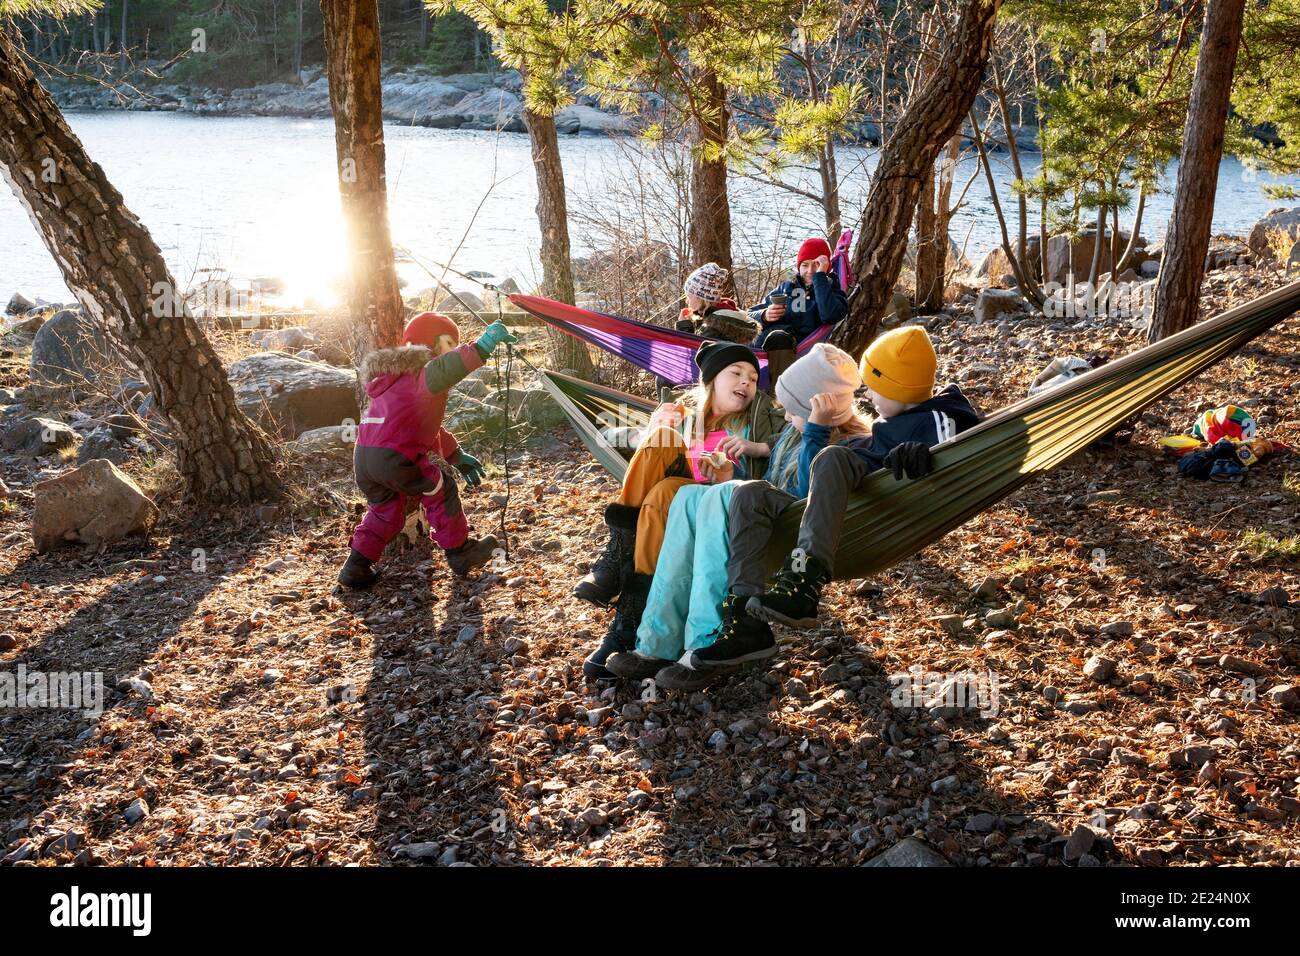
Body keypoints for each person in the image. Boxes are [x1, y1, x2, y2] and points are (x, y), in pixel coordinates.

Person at [654, 325, 982, 689]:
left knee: (828, 458)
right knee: (747, 493)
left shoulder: (929, 418)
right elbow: (792, 467)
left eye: (876, 386)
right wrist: (754, 454)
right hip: (802, 508)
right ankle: (745, 620)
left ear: (898, 388)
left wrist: (926, 449)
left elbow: (963, 437)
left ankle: (805, 580)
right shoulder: (876, 427)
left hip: (834, 514)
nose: (867, 394)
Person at [604, 344, 868, 685]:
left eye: (793, 411)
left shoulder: (841, 442)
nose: (785, 417)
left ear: (818, 409)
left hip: (789, 524)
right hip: (761, 509)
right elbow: (765, 486)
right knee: (686, 495)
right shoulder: (792, 431)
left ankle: (705, 643)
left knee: (716, 497)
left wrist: (815, 430)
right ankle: (657, 642)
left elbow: (808, 491)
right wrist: (732, 476)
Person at [577, 341, 786, 679]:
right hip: (674, 502)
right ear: (712, 380)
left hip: (720, 503)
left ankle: (619, 587)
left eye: (752, 377)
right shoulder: (683, 416)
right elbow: (609, 434)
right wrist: (649, 429)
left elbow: (804, 436)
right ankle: (623, 589)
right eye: (736, 373)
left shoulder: (761, 416)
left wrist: (756, 449)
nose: (747, 382)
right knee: (661, 454)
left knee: (663, 491)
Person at [337, 312, 516, 589]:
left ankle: (356, 566)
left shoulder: (393, 379)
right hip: (394, 457)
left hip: (365, 457)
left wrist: (456, 456)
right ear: (428, 344)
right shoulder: (423, 372)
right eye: (448, 342)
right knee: (440, 489)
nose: (453, 349)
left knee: (386, 511)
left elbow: (422, 428)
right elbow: (451, 367)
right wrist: (482, 345)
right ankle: (460, 551)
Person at [748, 237, 848, 347]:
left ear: (825, 267)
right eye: (805, 265)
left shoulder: (832, 290)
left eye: (816, 265)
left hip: (794, 350)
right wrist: (764, 315)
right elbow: (748, 315)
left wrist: (820, 277)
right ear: (799, 267)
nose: (810, 271)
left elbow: (830, 316)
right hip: (759, 347)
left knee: (779, 338)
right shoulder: (786, 287)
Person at [674, 262, 759, 344]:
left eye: (688, 297)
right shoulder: (723, 316)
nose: (687, 301)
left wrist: (683, 327)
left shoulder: (713, 329)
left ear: (702, 298)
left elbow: (694, 352)